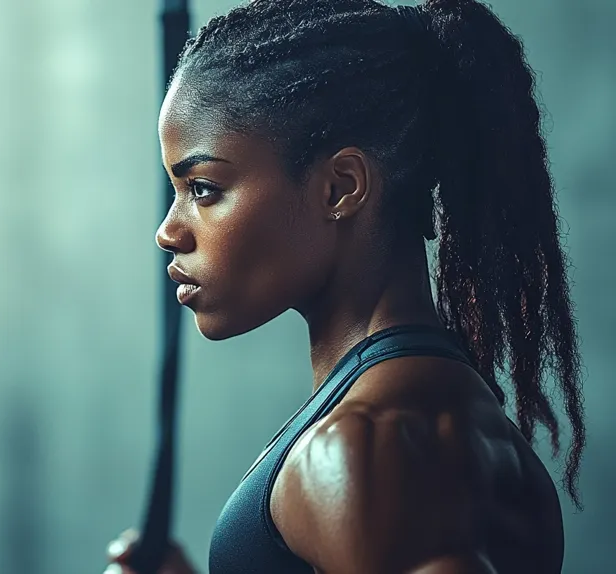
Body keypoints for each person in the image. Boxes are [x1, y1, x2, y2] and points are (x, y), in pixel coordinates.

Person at [105, 0, 586, 572]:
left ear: (341, 187)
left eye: (203, 188)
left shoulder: (363, 450)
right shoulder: (448, 419)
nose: (168, 232)